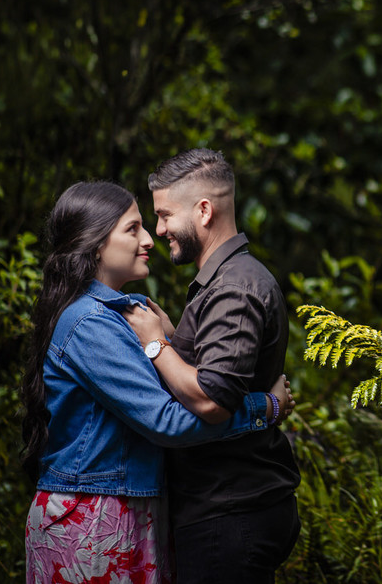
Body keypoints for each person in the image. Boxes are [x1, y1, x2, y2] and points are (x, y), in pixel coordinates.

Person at [20, 181, 294, 584]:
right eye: (133, 229)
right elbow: (168, 422)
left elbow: (162, 400)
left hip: (124, 510)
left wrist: (167, 342)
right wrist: (263, 408)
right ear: (95, 244)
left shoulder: (120, 315)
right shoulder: (90, 323)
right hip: (94, 517)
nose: (150, 238)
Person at [125, 148, 301, 584]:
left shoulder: (235, 289)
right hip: (228, 508)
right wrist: (171, 337)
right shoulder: (223, 283)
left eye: (165, 215)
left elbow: (210, 400)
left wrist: (155, 345)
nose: (159, 229)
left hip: (230, 511)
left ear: (204, 211)